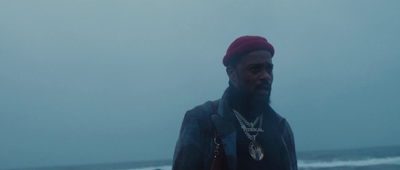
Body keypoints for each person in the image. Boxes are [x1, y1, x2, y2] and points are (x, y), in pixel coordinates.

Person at [173, 36, 297, 170]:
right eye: (255, 69)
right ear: (231, 73)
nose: (266, 76)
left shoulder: (281, 127)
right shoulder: (202, 120)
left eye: (269, 69)